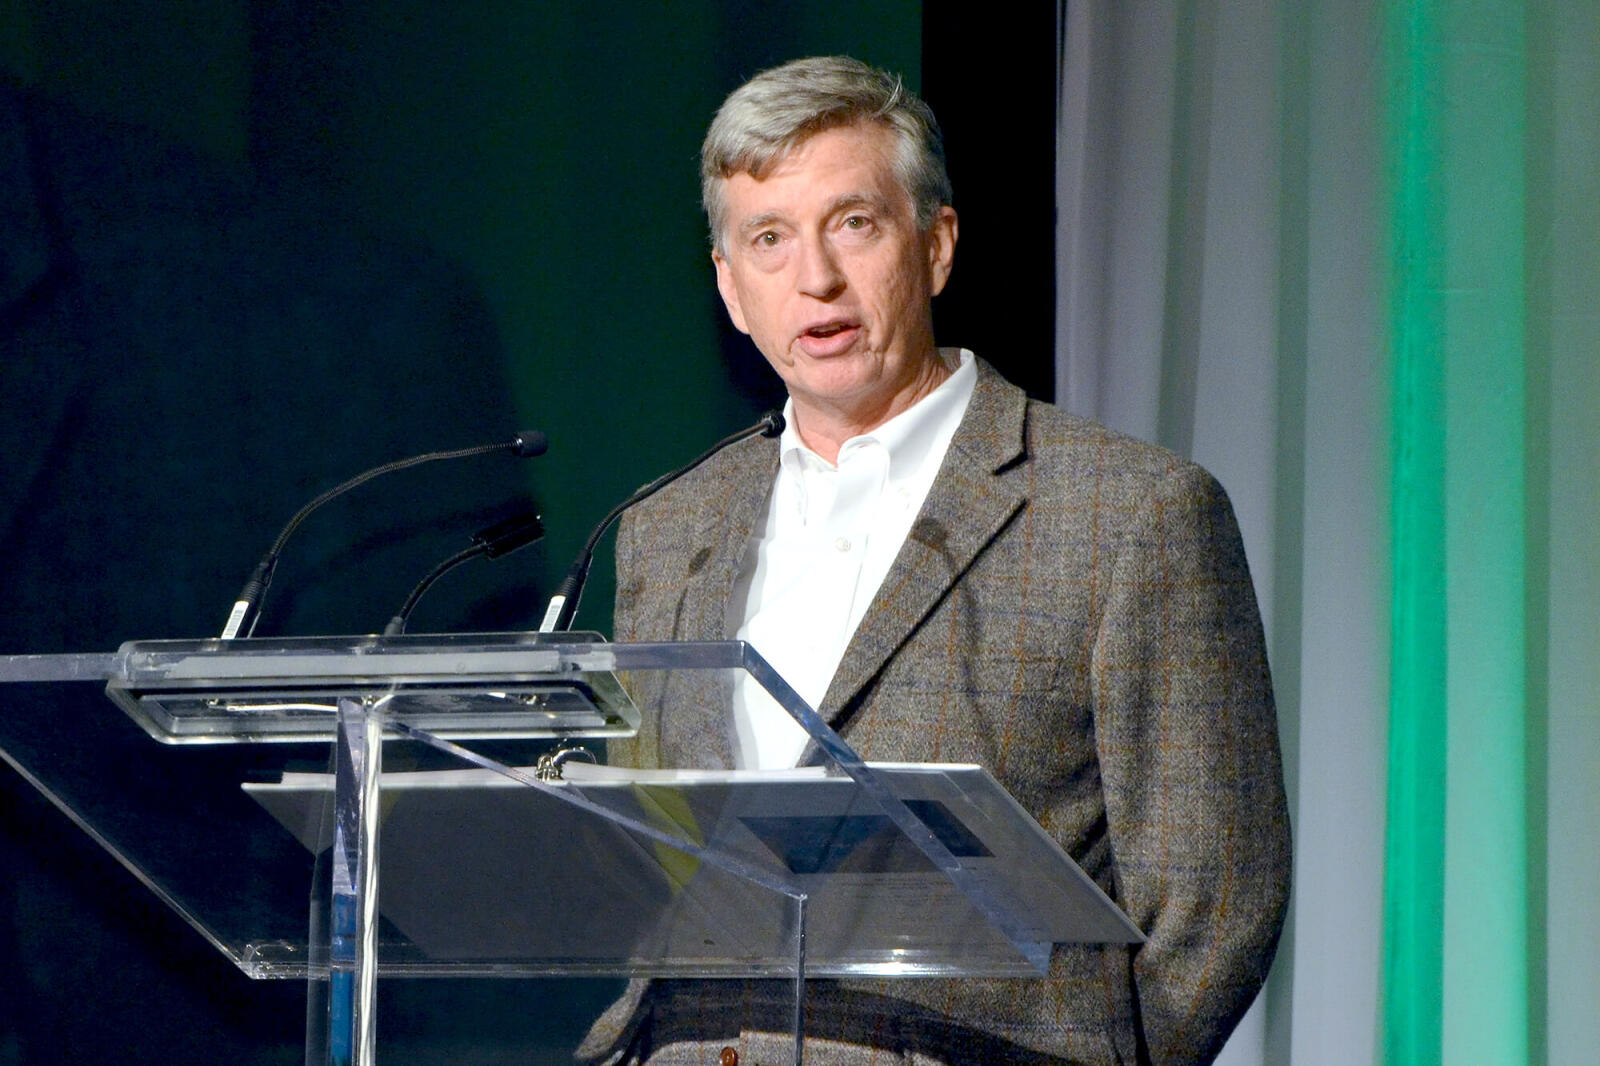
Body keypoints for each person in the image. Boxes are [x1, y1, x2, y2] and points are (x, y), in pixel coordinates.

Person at [590, 56, 1291, 1065]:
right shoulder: (664, 528)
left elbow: (1214, 903)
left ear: (935, 245)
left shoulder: (1128, 512)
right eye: (769, 238)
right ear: (730, 289)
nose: (815, 278)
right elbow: (647, 869)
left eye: (853, 223)